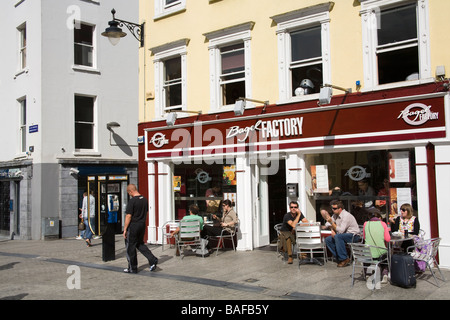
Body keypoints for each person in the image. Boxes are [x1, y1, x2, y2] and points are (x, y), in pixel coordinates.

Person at [123, 184, 158, 273]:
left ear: (130, 191)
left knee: (130, 247)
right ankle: (152, 259)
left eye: (129, 193)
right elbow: (146, 212)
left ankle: (132, 268)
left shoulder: (132, 201)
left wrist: (125, 229)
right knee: (139, 244)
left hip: (133, 225)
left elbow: (128, 216)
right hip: (142, 224)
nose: (129, 194)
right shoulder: (144, 200)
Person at [324, 200, 360, 267]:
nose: (333, 210)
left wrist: (332, 223)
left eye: (334, 208)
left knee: (338, 236)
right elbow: (327, 224)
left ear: (340, 209)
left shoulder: (346, 216)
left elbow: (341, 230)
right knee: (328, 239)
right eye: (332, 208)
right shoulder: (335, 215)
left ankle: (344, 258)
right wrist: (332, 228)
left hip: (353, 235)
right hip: (343, 235)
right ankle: (339, 257)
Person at [363, 209, 390, 283]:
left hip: (368, 253)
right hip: (379, 253)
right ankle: (384, 274)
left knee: (367, 251)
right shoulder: (383, 224)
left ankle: (367, 274)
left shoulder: (366, 224)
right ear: (379, 217)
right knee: (385, 254)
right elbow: (387, 239)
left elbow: (364, 238)